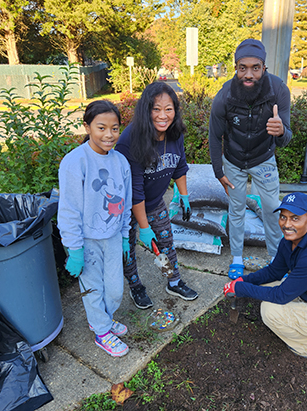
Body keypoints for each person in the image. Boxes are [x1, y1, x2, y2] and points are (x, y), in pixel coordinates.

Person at [223, 192, 307, 358]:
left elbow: (281, 296)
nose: (286, 224)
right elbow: (274, 272)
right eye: (283, 217)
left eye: (295, 218)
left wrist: (241, 288)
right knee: (262, 286)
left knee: (270, 310)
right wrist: (244, 280)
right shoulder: (289, 241)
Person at [209, 38, 292, 280]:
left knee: (271, 208)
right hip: (233, 160)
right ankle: (236, 258)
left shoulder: (278, 90)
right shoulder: (224, 96)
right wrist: (218, 171)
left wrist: (281, 132)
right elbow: (214, 136)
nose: (249, 74)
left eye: (255, 67)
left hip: (263, 158)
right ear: (235, 67)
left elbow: (286, 138)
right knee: (236, 209)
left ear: (264, 67)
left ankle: (277, 260)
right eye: (242, 67)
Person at [58, 100, 132, 357]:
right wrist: (74, 248)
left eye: (115, 128)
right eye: (101, 127)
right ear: (87, 127)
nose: (109, 135)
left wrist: (124, 235)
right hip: (86, 241)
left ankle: (103, 318)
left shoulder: (121, 162)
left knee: (114, 288)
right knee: (93, 289)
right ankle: (101, 332)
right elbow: (68, 209)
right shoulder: (74, 162)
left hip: (111, 236)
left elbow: (126, 201)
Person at [115, 82, 198, 309]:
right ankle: (136, 287)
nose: (163, 115)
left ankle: (173, 280)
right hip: (125, 209)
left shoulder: (174, 133)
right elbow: (135, 190)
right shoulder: (130, 140)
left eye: (168, 109)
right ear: (146, 109)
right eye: (156, 109)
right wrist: (143, 227)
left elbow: (179, 165)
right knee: (128, 250)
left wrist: (184, 196)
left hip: (154, 202)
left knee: (165, 244)